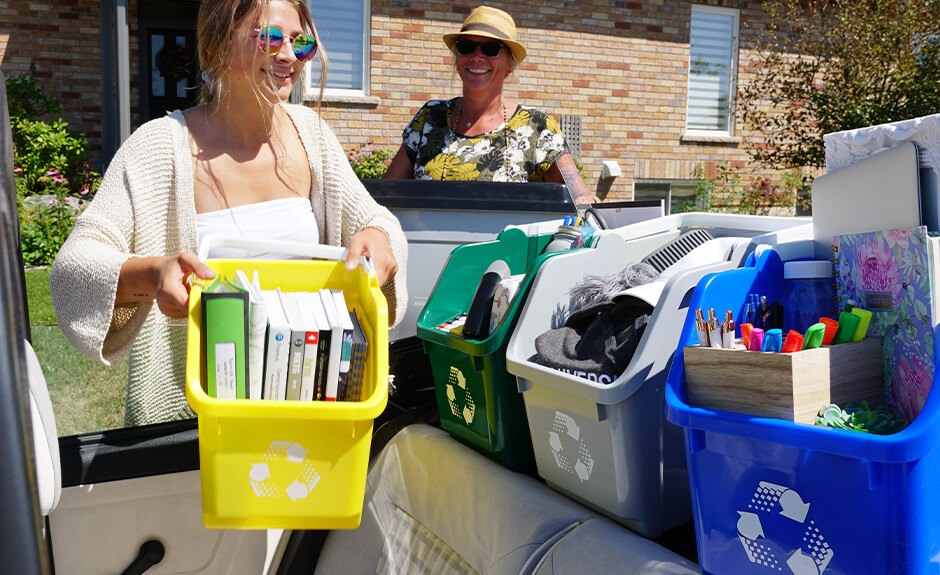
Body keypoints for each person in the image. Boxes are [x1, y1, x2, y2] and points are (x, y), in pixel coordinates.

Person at [50, 0, 408, 427]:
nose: (289, 56)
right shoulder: (159, 147)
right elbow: (73, 269)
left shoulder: (312, 135)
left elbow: (378, 223)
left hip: (307, 406)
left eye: (301, 42)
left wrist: (378, 237)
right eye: (271, 37)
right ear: (219, 44)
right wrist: (154, 275)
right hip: (195, 421)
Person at [383, 5, 597, 206]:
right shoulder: (430, 118)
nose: (477, 57)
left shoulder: (537, 127)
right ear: (457, 59)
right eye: (466, 47)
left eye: (491, 49)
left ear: (509, 65)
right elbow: (384, 197)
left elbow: (581, 201)